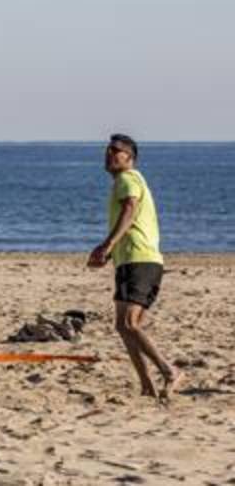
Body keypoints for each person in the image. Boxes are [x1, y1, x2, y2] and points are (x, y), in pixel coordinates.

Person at [87, 134, 183, 400]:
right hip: (134, 260)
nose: (109, 153)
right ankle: (146, 385)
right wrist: (110, 253)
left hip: (139, 260)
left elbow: (130, 210)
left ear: (130, 158)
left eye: (116, 150)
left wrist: (106, 245)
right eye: (107, 149)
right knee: (123, 325)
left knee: (129, 323)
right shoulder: (129, 180)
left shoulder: (127, 179)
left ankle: (168, 370)